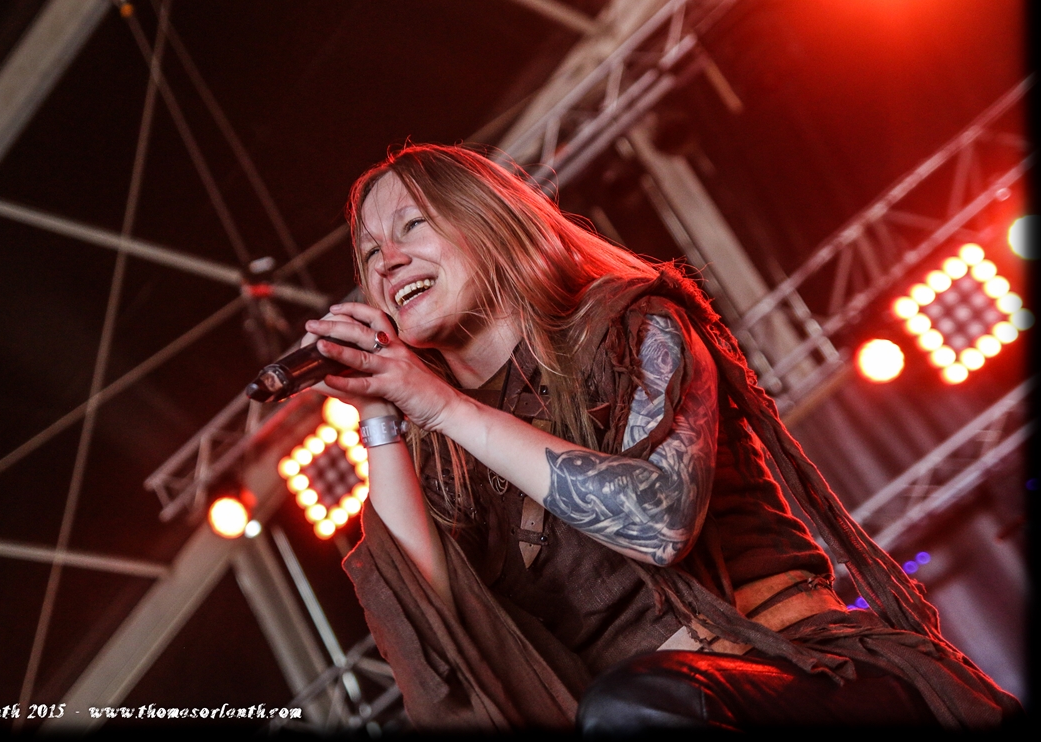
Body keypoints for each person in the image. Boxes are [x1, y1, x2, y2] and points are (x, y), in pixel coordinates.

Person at [300, 143, 1020, 731]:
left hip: (798, 679)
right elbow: (436, 633)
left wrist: (441, 407)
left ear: (489, 222)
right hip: (632, 716)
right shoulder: (433, 453)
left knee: (632, 708)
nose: (385, 262)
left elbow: (657, 522)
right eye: (368, 253)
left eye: (411, 226)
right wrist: (381, 416)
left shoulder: (634, 326)